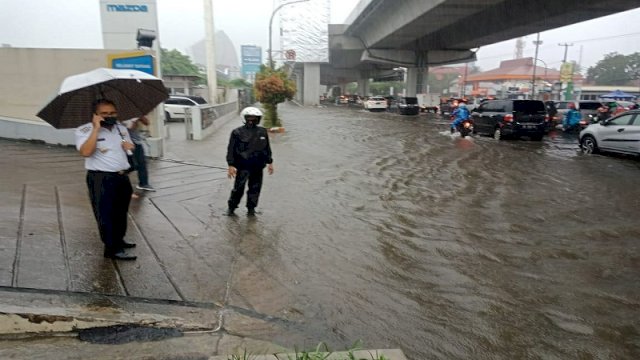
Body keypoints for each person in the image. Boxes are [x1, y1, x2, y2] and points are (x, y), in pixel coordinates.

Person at [75, 99, 137, 260]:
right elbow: (86, 152)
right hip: (101, 178)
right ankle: (111, 248)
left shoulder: (120, 128)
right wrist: (96, 128)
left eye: (112, 113)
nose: (109, 116)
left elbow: (129, 147)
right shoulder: (84, 130)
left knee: (121, 211)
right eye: (104, 113)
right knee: (106, 213)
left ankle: (119, 240)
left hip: (122, 176)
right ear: (95, 115)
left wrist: (130, 147)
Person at [225, 106, 274, 216]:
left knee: (255, 189)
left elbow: (267, 148)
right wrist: (231, 165)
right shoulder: (237, 132)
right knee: (238, 189)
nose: (252, 120)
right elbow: (231, 150)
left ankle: (251, 209)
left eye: (255, 118)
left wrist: (270, 162)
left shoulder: (262, 131)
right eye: (250, 117)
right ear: (245, 118)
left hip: (258, 166)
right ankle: (231, 208)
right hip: (243, 167)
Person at [122, 115, 155, 192]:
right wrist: (134, 120)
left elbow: (147, 123)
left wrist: (141, 116)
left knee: (142, 162)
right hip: (125, 142)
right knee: (131, 165)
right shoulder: (121, 114)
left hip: (136, 141)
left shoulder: (135, 112)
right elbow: (129, 128)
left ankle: (144, 183)